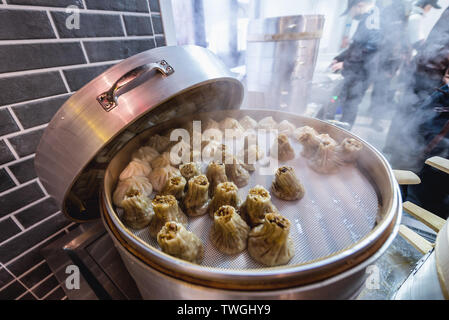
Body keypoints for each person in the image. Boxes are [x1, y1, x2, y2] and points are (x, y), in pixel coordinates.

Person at [330, 0, 383, 130]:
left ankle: (344, 135)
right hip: (356, 71)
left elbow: (371, 48)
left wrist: (346, 63)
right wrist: (339, 58)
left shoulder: (372, 20)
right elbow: (357, 46)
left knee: (351, 104)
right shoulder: (368, 18)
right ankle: (338, 130)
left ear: (358, 5)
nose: (351, 16)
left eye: (351, 12)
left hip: (361, 73)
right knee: (342, 100)